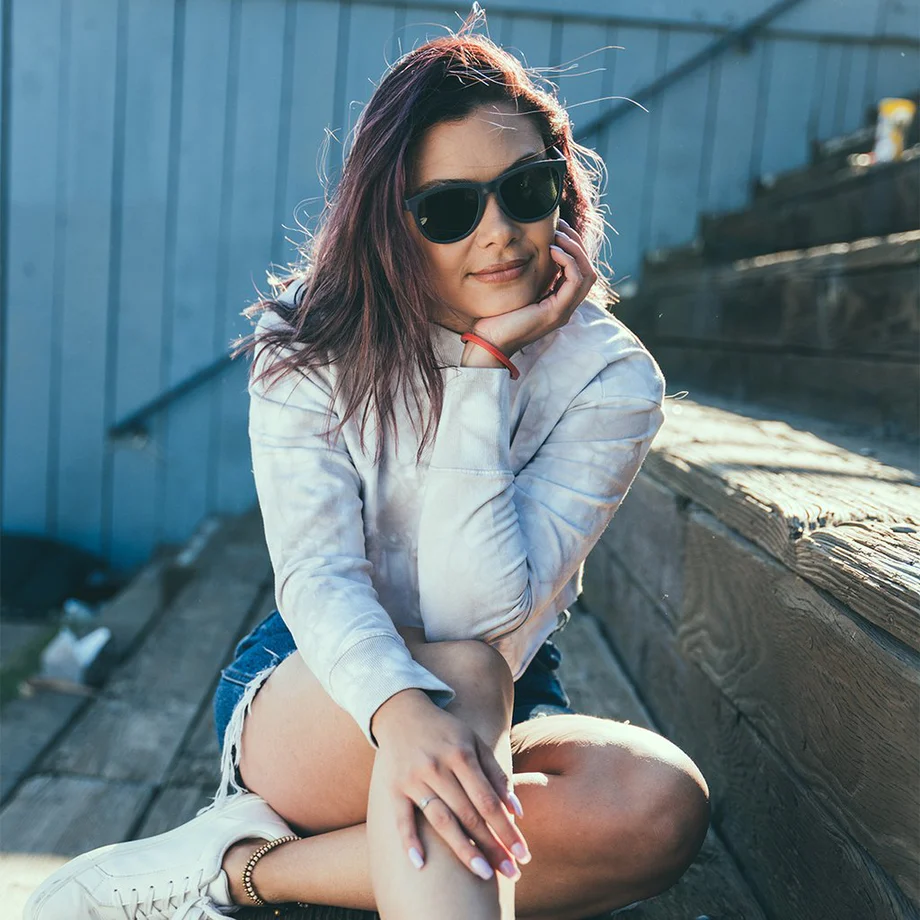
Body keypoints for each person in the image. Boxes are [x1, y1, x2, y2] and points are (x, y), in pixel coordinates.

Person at [25, 10, 710, 920]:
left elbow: (481, 615)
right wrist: (401, 713)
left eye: (528, 189)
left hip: (508, 682)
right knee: (456, 684)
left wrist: (481, 372)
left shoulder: (611, 379)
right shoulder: (310, 341)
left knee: (657, 806)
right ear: (392, 226)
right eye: (450, 208)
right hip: (320, 678)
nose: (500, 231)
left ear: (564, 191)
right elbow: (318, 575)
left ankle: (232, 871)